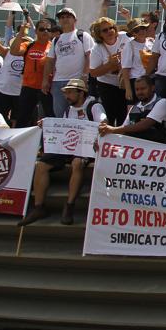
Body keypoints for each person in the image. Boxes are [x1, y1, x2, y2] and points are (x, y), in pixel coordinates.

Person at [19, 79, 106, 226]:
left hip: (87, 147)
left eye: (71, 92)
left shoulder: (94, 106)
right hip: (67, 147)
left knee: (77, 163)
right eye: (66, 92)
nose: (67, 96)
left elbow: (104, 123)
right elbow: (64, 129)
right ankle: (39, 207)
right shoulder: (68, 109)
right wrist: (47, 124)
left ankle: (69, 205)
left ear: (81, 93)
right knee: (41, 165)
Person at [42, 7, 93, 118]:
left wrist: (85, 76)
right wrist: (45, 80)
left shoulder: (82, 35)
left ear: (75, 20)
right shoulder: (56, 40)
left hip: (77, 82)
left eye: (68, 17)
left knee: (78, 114)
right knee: (59, 115)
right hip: (58, 82)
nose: (65, 19)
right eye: (62, 17)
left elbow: (89, 56)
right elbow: (50, 61)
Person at [99, 76, 166, 144]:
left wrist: (113, 129)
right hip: (136, 151)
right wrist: (102, 141)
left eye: (143, 88)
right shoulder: (133, 108)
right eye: (137, 89)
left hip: (157, 150)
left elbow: (144, 125)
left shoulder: (162, 102)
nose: (140, 92)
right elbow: (123, 131)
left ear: (152, 88)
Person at [87, 16, 128, 126]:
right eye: (105, 30)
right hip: (107, 85)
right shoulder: (97, 49)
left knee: (124, 115)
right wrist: (110, 65)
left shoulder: (125, 37)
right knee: (109, 114)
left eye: (111, 28)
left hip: (125, 84)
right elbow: (93, 72)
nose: (109, 31)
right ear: (99, 34)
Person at [14, 17, 54, 128]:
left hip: (47, 88)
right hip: (28, 87)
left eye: (48, 30)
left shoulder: (54, 46)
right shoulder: (29, 45)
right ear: (36, 31)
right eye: (42, 29)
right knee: (23, 118)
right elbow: (14, 51)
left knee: (49, 117)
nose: (45, 31)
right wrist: (21, 33)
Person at [120, 18, 153, 103]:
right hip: (135, 81)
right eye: (137, 30)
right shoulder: (129, 45)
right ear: (133, 33)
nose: (141, 32)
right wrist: (128, 89)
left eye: (143, 28)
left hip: (150, 80)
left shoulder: (151, 42)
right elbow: (125, 68)